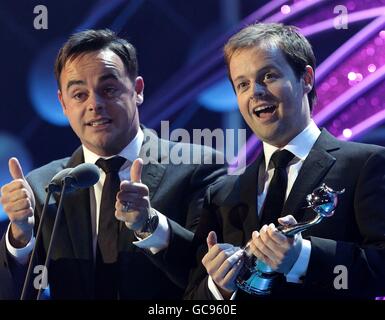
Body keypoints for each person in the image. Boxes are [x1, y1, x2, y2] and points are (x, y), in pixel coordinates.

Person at [0, 29, 226, 299]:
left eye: (108, 89)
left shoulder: (198, 166)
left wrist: (150, 225)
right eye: (79, 95)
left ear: (137, 90)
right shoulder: (43, 186)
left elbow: (215, 283)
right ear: (62, 103)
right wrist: (19, 238)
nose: (95, 104)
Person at [185, 22, 385, 300]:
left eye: (268, 76)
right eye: (242, 84)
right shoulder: (221, 195)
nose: (255, 91)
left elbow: (381, 272)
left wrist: (303, 258)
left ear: (306, 79)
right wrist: (217, 288)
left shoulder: (366, 164)